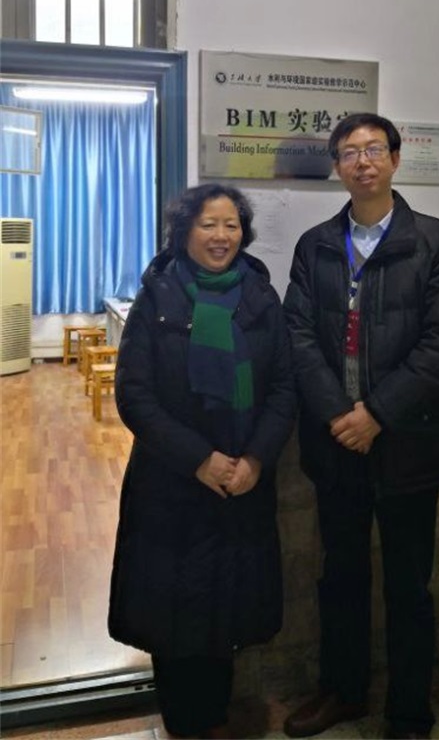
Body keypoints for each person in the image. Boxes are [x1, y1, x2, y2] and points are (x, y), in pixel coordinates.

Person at [282, 113, 439, 740]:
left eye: (373, 150)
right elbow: (297, 336)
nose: (362, 161)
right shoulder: (315, 244)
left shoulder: (437, 241)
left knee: (409, 586)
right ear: (337, 167)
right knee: (340, 576)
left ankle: (409, 712)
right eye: (349, 152)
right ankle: (343, 693)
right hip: (336, 443)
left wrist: (376, 414)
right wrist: (340, 416)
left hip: (409, 446)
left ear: (395, 159)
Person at [108, 183, 296, 739]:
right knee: (172, 607)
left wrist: (255, 459)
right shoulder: (157, 296)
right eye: (208, 224)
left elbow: (284, 387)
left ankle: (214, 716)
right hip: (172, 481)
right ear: (184, 230)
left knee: (226, 604)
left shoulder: (261, 297)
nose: (221, 236)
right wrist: (198, 460)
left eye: (231, 225)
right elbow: (134, 395)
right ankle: (182, 721)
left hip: (241, 480)